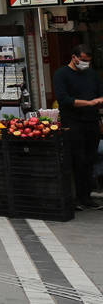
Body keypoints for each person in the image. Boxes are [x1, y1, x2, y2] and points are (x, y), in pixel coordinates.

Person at [53, 44, 103, 210]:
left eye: (88, 61)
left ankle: (86, 197)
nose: (85, 63)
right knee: (77, 160)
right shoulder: (61, 74)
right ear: (74, 57)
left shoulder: (92, 74)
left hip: (92, 122)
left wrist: (98, 102)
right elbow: (63, 99)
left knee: (90, 160)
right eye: (82, 60)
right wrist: (88, 103)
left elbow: (100, 93)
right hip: (72, 123)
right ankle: (74, 198)